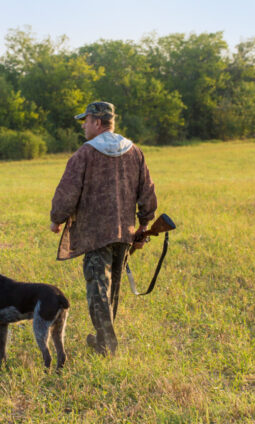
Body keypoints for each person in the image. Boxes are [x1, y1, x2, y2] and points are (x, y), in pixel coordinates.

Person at [49, 101, 157, 355]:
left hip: (95, 233)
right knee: (112, 289)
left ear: (97, 122)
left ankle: (107, 345)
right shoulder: (135, 151)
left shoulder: (85, 153)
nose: (84, 126)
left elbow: (67, 191)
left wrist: (57, 218)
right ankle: (103, 339)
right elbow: (148, 191)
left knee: (98, 289)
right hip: (125, 233)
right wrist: (144, 223)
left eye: (86, 121)